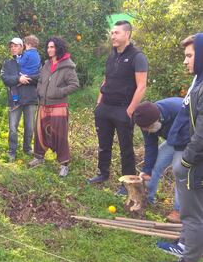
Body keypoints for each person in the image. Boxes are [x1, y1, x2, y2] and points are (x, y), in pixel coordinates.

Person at [157, 33, 203, 262]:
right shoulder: (198, 81)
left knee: (194, 214)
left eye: (189, 56)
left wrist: (186, 160)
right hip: (189, 155)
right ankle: (185, 245)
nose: (185, 61)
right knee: (188, 209)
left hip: (195, 160)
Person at [88, 20, 148, 196]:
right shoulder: (112, 55)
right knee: (103, 144)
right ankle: (102, 173)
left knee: (126, 148)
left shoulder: (138, 56)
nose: (112, 36)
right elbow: (106, 79)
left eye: (116, 33)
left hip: (123, 109)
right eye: (112, 33)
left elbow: (142, 86)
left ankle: (127, 182)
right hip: (105, 107)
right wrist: (99, 102)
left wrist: (129, 111)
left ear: (127, 34)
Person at [28, 37, 79, 177]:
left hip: (58, 106)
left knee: (60, 136)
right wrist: (39, 90)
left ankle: (64, 164)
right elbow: (40, 80)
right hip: (43, 104)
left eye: (52, 47)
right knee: (39, 132)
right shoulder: (46, 65)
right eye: (48, 47)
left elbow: (74, 84)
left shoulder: (67, 66)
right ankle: (39, 157)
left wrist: (57, 92)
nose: (49, 50)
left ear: (58, 48)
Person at [133, 98, 185, 223]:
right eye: (144, 128)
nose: (146, 130)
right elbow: (151, 146)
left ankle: (179, 211)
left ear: (157, 120)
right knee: (154, 166)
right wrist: (146, 170)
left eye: (148, 127)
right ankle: (147, 199)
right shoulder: (145, 119)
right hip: (173, 140)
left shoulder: (178, 110)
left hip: (190, 139)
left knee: (180, 171)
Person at [1, 37, 39, 161]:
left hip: (30, 98)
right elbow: (5, 79)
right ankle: (12, 151)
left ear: (22, 47)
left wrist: (26, 79)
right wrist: (18, 79)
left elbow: (40, 76)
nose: (13, 48)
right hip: (14, 100)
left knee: (29, 126)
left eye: (16, 46)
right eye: (11, 46)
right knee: (12, 127)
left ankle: (27, 148)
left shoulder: (32, 58)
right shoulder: (7, 63)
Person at [10, 35, 41, 110]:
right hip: (33, 74)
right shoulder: (37, 55)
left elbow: (21, 63)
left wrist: (18, 59)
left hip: (23, 73)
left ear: (29, 44)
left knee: (13, 87)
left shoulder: (27, 54)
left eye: (25, 44)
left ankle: (15, 101)